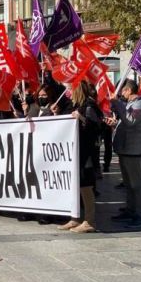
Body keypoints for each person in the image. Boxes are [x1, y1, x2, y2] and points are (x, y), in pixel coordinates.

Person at [108, 79, 141, 229]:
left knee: (137, 184)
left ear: (128, 90)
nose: (120, 94)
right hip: (125, 148)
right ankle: (131, 210)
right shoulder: (131, 104)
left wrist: (117, 103)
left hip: (134, 149)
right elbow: (126, 121)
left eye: (122, 90)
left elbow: (130, 120)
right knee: (129, 184)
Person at [58, 80, 100, 233]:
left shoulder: (89, 106)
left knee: (86, 186)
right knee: (76, 185)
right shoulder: (76, 105)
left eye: (70, 88)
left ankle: (90, 221)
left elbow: (96, 127)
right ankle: (75, 218)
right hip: (77, 152)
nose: (68, 91)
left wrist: (81, 118)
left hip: (86, 153)